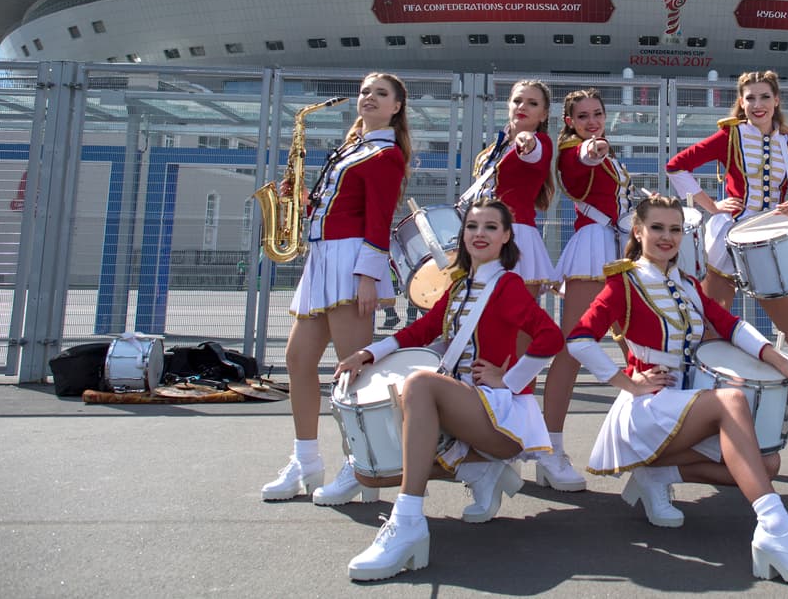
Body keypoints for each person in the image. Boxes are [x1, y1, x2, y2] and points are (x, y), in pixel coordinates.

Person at [566, 194, 788, 588]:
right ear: (638, 232)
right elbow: (578, 340)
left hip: (686, 403)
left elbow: (729, 325)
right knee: (732, 400)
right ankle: (775, 531)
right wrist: (627, 382)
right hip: (648, 407)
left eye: (675, 229)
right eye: (657, 228)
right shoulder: (623, 282)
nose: (667, 237)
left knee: (769, 464)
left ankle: (656, 474)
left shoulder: (687, 283)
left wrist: (782, 361)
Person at [335, 198, 565, 581]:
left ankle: (407, 521)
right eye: (472, 226)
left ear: (506, 236)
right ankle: (480, 470)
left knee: (421, 385)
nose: (479, 234)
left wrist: (507, 380)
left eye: (491, 227)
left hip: (499, 414)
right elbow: (420, 331)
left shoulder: (506, 284)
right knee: (384, 451)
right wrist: (368, 353)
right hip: (469, 406)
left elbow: (551, 337)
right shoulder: (460, 285)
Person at [665, 69, 788, 467]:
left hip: (770, 243)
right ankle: (695, 433)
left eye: (764, 96)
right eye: (749, 98)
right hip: (730, 241)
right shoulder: (730, 136)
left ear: (776, 100)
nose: (757, 105)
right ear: (741, 102)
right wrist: (710, 204)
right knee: (708, 334)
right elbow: (677, 166)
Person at [260, 73, 410, 504]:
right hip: (322, 258)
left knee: (353, 373)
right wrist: (301, 197)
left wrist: (368, 276)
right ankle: (305, 459)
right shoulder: (352, 148)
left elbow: (379, 218)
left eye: (381, 94)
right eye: (365, 91)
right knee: (297, 359)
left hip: (351, 261)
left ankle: (359, 467)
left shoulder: (386, 154)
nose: (369, 98)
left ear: (396, 107)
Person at [537, 88, 636, 491]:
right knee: (571, 349)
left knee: (639, 347)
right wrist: (589, 152)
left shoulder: (607, 153)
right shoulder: (573, 152)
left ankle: (654, 445)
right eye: (583, 116)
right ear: (570, 122)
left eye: (597, 113)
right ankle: (550, 452)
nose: (592, 120)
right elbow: (579, 166)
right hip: (593, 249)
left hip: (622, 249)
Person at [470, 79, 556, 296]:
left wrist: (527, 139)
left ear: (544, 115)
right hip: (482, 234)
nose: (522, 106)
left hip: (516, 235)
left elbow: (534, 150)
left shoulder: (541, 141)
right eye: (517, 100)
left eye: (532, 103)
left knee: (517, 320)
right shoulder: (494, 148)